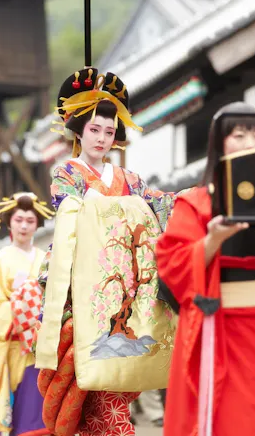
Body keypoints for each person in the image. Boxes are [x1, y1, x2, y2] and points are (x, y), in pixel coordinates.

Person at [36, 68, 177, 436]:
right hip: (84, 286)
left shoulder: (130, 180)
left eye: (109, 132)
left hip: (127, 287)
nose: (101, 138)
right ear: (79, 130)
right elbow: (76, 213)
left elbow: (157, 208)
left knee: (120, 376)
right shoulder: (67, 173)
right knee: (94, 386)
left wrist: (192, 199)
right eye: (95, 129)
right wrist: (124, 207)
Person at [155, 102, 255, 436]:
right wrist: (211, 241)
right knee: (227, 421)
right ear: (219, 144)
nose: (249, 143)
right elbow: (171, 267)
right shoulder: (196, 202)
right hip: (219, 331)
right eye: (238, 134)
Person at [0, 192, 53, 436]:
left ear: (38, 225)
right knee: (16, 411)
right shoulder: (0, 260)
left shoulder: (47, 259)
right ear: (9, 222)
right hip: (12, 346)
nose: (24, 225)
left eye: (30, 221)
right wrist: (21, 311)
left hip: (41, 348)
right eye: (19, 219)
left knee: (38, 411)